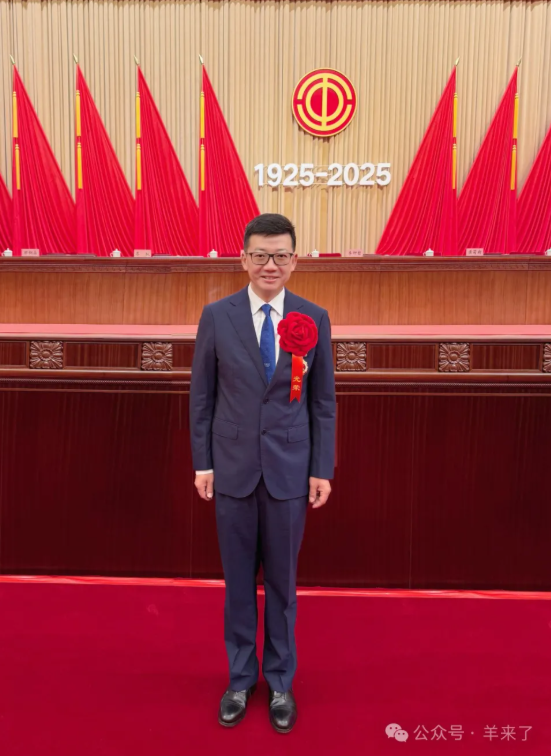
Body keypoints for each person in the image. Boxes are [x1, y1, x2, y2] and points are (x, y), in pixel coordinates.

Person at [189, 214, 336, 734]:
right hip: (231, 470)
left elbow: (323, 403)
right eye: (260, 255)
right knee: (237, 584)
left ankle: (279, 682)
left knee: (282, 584)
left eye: (280, 255)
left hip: (289, 473)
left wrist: (321, 469)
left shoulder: (313, 317)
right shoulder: (217, 316)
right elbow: (202, 397)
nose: (269, 264)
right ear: (244, 258)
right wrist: (203, 462)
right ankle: (239, 679)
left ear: (295, 260)